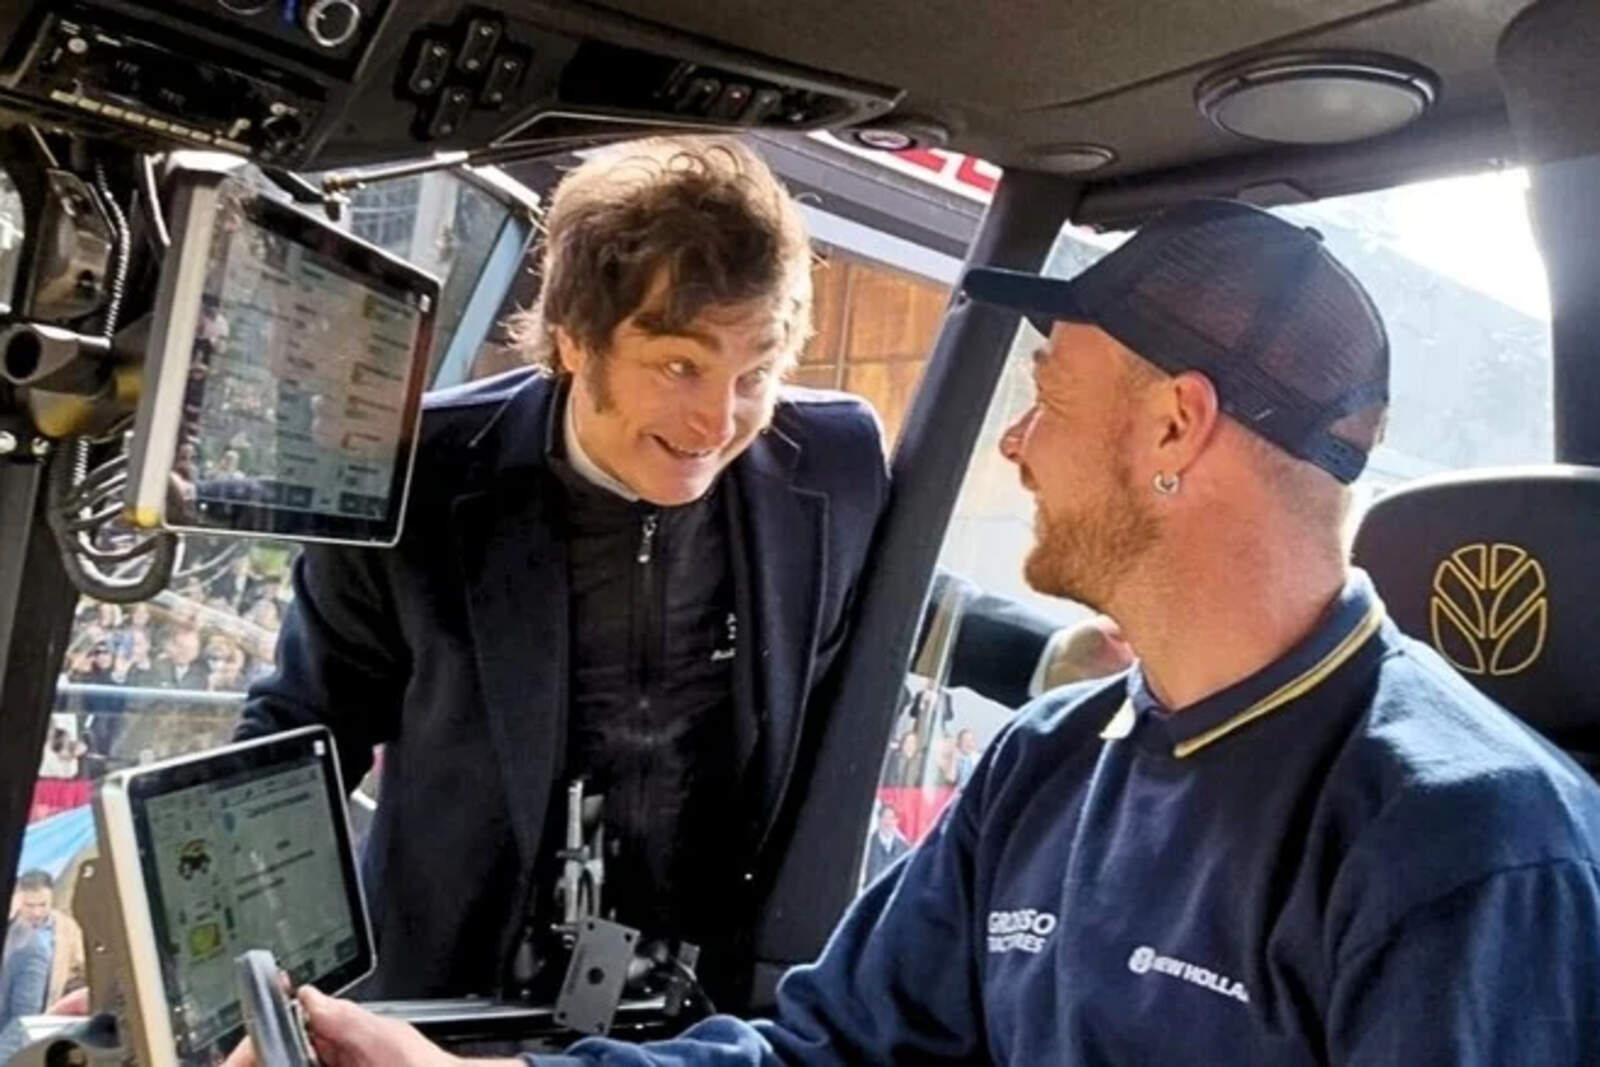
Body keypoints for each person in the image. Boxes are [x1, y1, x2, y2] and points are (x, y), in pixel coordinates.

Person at [243, 198, 1600, 1066]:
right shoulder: (1048, 760)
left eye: (1047, 397)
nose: (1014, 442)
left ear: (1174, 426)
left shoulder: (1467, 850)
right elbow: (822, 1053)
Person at [236, 136, 889, 1007]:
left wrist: (1048, 660)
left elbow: (899, 613)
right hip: (451, 1005)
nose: (718, 420)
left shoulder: (838, 464)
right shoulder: (415, 475)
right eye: (681, 365)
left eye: (756, 371)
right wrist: (231, 969)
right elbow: (303, 732)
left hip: (706, 1021)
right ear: (576, 339)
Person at [1, 872, 84, 1019]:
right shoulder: (10, 928)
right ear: (18, 900)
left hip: (50, 1011)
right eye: (29, 905)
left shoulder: (67, 928)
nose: (37, 912)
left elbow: (81, 966)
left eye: (43, 905)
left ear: (52, 899)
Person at [861, 804, 910, 884]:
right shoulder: (866, 844)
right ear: (879, 819)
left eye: (891, 818)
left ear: (896, 821)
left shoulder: (904, 848)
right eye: (884, 817)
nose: (887, 822)